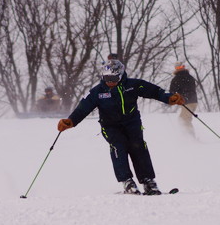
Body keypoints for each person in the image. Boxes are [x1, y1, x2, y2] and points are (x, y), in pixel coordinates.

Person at [57, 60, 185, 195]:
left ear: (121, 75)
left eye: (114, 78)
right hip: (110, 126)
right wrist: (70, 121)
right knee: (119, 146)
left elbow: (155, 91)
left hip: (132, 122)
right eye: (107, 78)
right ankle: (127, 181)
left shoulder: (133, 85)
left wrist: (170, 98)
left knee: (138, 146)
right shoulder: (98, 92)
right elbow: (83, 108)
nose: (110, 81)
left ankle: (148, 181)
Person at [169, 62, 198, 137]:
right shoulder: (190, 77)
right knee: (184, 119)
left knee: (184, 120)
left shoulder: (176, 79)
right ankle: (186, 135)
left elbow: (172, 92)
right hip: (194, 101)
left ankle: (191, 137)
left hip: (187, 102)